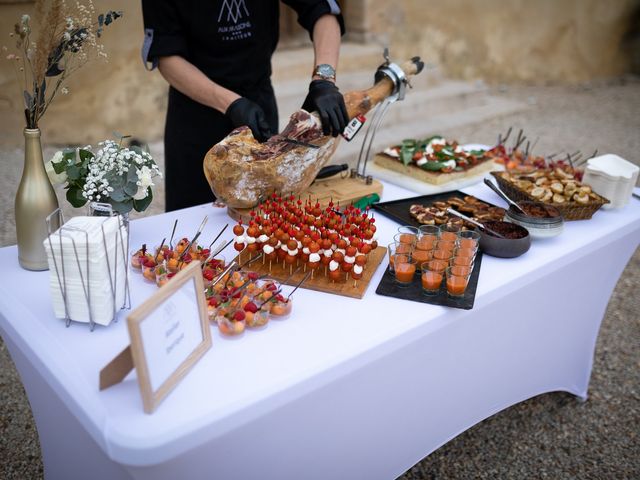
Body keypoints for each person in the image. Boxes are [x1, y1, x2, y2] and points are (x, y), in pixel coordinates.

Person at [141, 1, 348, 212]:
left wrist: (323, 79)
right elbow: (167, 57)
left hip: (258, 102)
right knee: (192, 222)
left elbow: (323, 11)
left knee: (261, 217)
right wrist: (231, 103)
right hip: (195, 114)